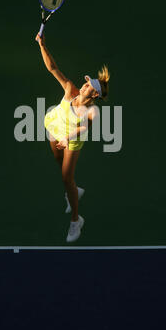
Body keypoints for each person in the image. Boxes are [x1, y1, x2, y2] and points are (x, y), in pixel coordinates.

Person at [35, 33, 110, 242]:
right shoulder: (69, 89)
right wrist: (42, 45)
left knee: (66, 177)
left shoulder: (93, 111)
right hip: (55, 127)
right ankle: (74, 190)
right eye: (86, 83)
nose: (85, 85)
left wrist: (67, 138)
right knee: (58, 161)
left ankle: (76, 220)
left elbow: (84, 128)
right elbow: (52, 68)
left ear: (94, 95)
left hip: (72, 139)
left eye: (89, 86)